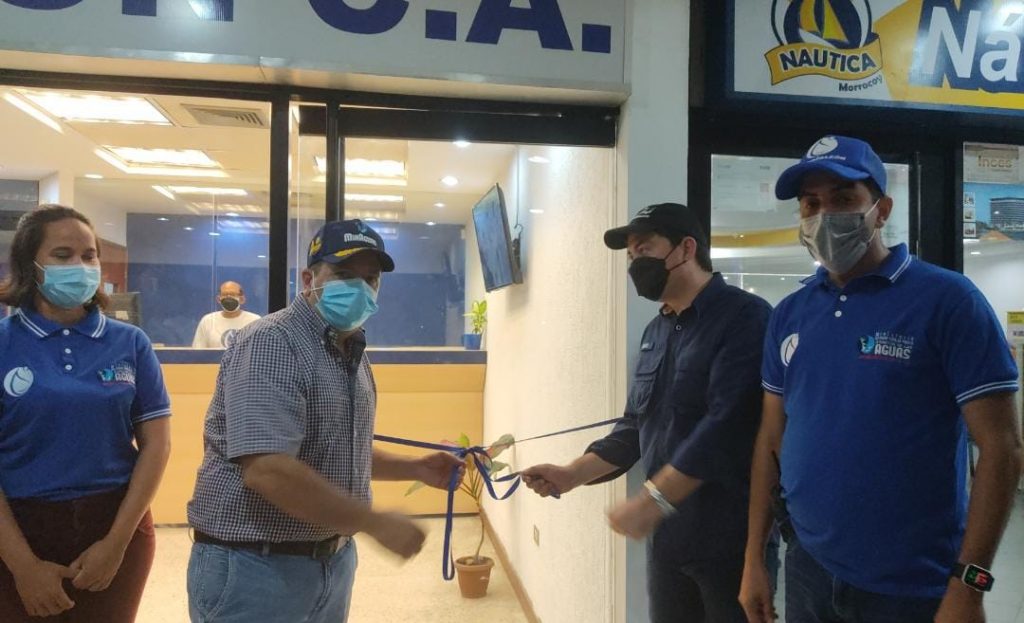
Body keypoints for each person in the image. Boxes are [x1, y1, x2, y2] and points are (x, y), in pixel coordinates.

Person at [739, 136, 1023, 623]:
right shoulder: (790, 313)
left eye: (843, 198)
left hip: (912, 586)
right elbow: (771, 437)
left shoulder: (948, 301)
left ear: (882, 209)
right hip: (809, 567)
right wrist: (754, 559)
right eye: (811, 203)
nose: (824, 215)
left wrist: (969, 585)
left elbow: (1002, 448)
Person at [186, 219, 465, 623]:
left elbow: (334, 448)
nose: (360, 288)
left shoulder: (350, 349)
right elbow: (268, 469)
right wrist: (374, 523)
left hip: (331, 563)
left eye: (370, 279)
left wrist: (415, 468)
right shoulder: (272, 342)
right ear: (309, 279)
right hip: (254, 569)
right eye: (345, 275)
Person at [522, 203, 773, 623]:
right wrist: (572, 474)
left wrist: (652, 500)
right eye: (630, 255)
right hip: (668, 541)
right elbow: (635, 425)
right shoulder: (656, 330)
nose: (635, 263)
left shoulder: (746, 317)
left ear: (686, 248)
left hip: (729, 542)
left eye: (644, 248)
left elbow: (727, 425)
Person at [0, 204, 172, 622]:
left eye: (89, 255)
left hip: (115, 523)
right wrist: (23, 566)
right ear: (30, 264)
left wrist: (116, 544)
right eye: (62, 255)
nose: (80, 265)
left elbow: (156, 446)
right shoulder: (5, 342)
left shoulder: (130, 342)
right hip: (17, 529)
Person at [191, 281, 260, 348]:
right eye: (224, 294)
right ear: (218, 299)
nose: (228, 297)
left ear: (242, 299)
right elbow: (198, 351)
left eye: (232, 294)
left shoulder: (255, 321)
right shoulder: (208, 321)